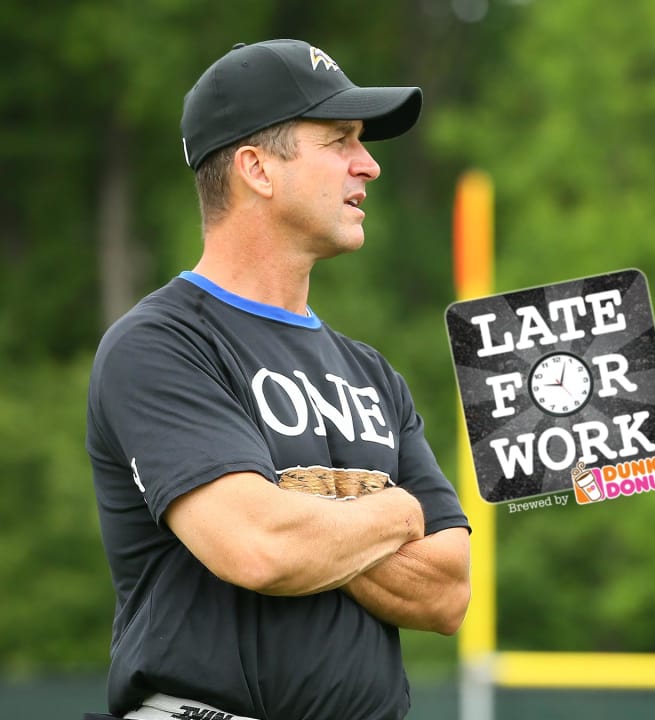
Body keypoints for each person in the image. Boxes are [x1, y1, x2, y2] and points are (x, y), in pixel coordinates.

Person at [85, 40, 470, 720]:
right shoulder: (159, 345)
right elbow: (260, 547)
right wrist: (397, 513)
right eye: (340, 139)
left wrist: (305, 515)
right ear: (257, 169)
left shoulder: (374, 375)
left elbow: (446, 592)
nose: (369, 164)